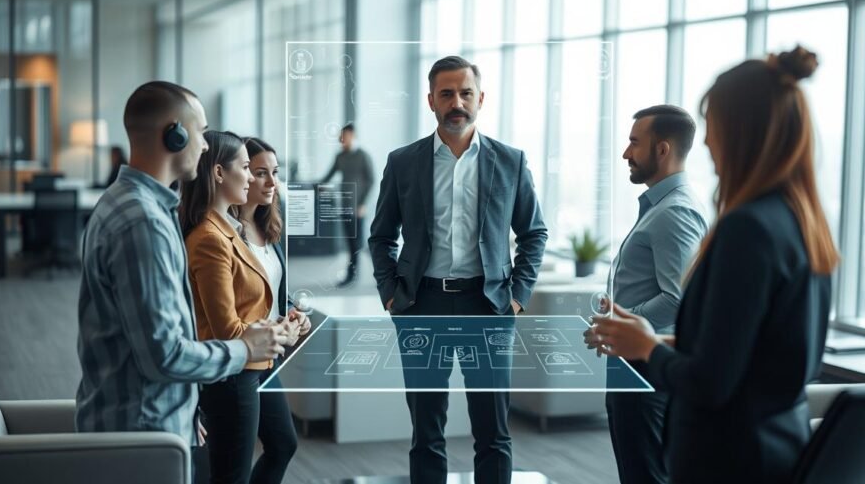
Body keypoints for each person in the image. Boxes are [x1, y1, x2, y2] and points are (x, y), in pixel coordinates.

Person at [588, 46, 838, 483]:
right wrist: (650, 337)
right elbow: (751, 354)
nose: (705, 142)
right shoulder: (800, 220)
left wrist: (646, 347)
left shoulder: (748, 229)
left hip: (729, 459)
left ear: (742, 132)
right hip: (773, 448)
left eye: (712, 127)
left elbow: (710, 382)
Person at [75, 82, 290, 473]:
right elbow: (165, 354)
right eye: (199, 132)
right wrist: (245, 349)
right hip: (142, 433)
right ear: (174, 134)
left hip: (145, 421)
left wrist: (190, 409)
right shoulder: (143, 222)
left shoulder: (129, 204)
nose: (206, 146)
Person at [369, 55, 548, 484]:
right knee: (426, 430)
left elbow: (534, 233)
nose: (456, 102)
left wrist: (517, 298)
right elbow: (380, 236)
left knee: (493, 432)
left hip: (487, 305)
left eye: (465, 93)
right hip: (421, 303)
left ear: (481, 98)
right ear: (431, 100)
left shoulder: (511, 161)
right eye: (446, 94)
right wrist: (391, 293)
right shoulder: (403, 161)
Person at [181, 130, 309, 484]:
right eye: (249, 169)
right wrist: (281, 331)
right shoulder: (210, 237)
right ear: (220, 173)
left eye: (269, 172)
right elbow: (228, 331)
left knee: (281, 444)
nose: (256, 178)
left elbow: (260, 300)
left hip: (259, 362)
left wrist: (286, 322)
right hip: (235, 372)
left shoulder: (233, 229)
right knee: (231, 474)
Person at [601, 105, 708, 484]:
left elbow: (678, 299)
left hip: (646, 369)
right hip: (638, 362)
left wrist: (622, 321)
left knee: (644, 475)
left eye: (634, 143)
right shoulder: (660, 207)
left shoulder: (673, 213)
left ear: (661, 150)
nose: (626, 153)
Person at [321, 123, 375, 286]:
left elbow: (371, 180)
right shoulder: (340, 156)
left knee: (358, 243)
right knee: (352, 242)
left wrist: (362, 204)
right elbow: (329, 175)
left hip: (358, 208)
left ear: (353, 136)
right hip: (344, 205)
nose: (341, 139)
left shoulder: (363, 155)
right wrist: (318, 186)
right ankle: (353, 274)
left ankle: (358, 274)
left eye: (344, 136)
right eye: (340, 137)